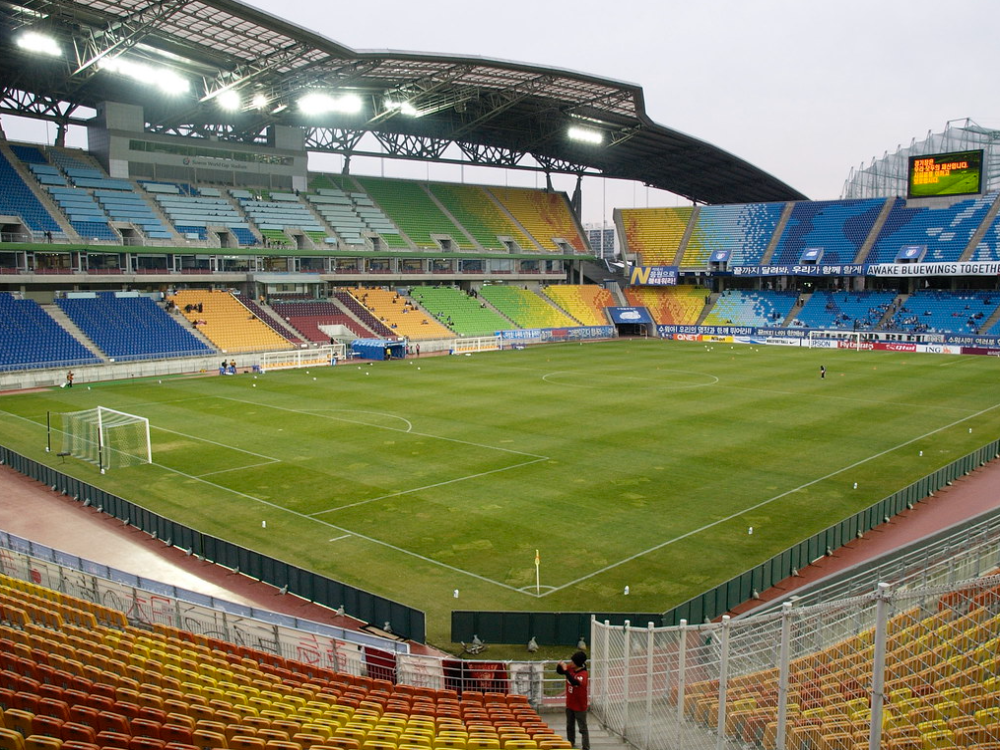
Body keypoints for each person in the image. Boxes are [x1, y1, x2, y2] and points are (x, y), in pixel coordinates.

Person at [556, 651, 589, 750]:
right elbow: (560, 671)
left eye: (573, 662)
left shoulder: (583, 674)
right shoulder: (571, 668)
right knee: (569, 726)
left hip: (580, 705)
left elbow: (574, 682)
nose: (571, 663)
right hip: (570, 703)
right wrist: (560, 665)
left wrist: (566, 671)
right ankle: (571, 743)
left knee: (582, 728)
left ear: (578, 663)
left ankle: (586, 746)